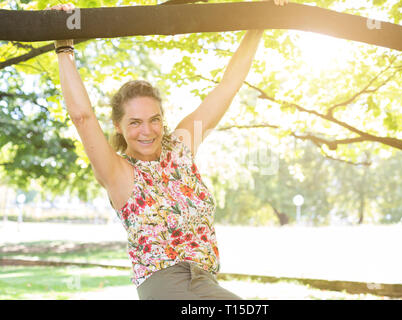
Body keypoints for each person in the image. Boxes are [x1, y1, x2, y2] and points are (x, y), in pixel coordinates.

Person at [47, 0, 288, 300]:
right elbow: (82, 117)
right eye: (134, 122)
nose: (146, 131)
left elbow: (228, 86)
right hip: (167, 287)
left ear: (163, 120)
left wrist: (258, 22)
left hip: (205, 282)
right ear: (118, 126)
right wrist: (63, 47)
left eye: (154, 120)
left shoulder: (181, 148)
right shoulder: (118, 173)